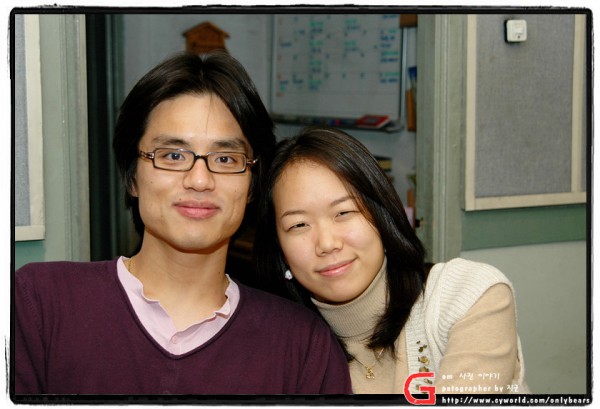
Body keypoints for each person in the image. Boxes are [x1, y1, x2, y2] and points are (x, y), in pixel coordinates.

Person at [13, 52, 351, 396]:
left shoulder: (303, 347)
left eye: (225, 158)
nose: (199, 180)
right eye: (173, 156)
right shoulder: (38, 302)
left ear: (252, 185)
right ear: (132, 176)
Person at [254, 126, 528, 395]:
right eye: (299, 225)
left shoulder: (466, 295)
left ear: (381, 216)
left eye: (344, 212)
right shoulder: (280, 346)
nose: (327, 244)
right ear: (279, 249)